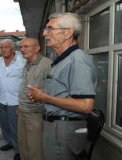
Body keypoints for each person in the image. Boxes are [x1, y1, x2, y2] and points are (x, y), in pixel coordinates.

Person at [28, 13, 98, 160]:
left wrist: (44, 97)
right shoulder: (62, 60)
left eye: (50, 29)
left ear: (68, 33)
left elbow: (86, 105)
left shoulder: (77, 60)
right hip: (57, 127)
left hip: (64, 129)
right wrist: (42, 98)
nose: (45, 33)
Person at [17, 37, 52, 160]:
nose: (22, 49)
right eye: (21, 47)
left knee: (35, 149)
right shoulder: (27, 63)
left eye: (26, 46)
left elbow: (53, 91)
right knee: (23, 145)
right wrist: (20, 106)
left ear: (37, 48)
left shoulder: (47, 64)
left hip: (36, 113)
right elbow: (25, 87)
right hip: (23, 111)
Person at [0, 39, 26, 160]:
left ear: (12, 48)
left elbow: (26, 79)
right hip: (3, 98)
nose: (3, 50)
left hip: (16, 100)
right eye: (2, 48)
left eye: (6, 47)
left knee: (15, 126)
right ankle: (10, 143)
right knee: (4, 124)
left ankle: (18, 150)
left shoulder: (22, 60)